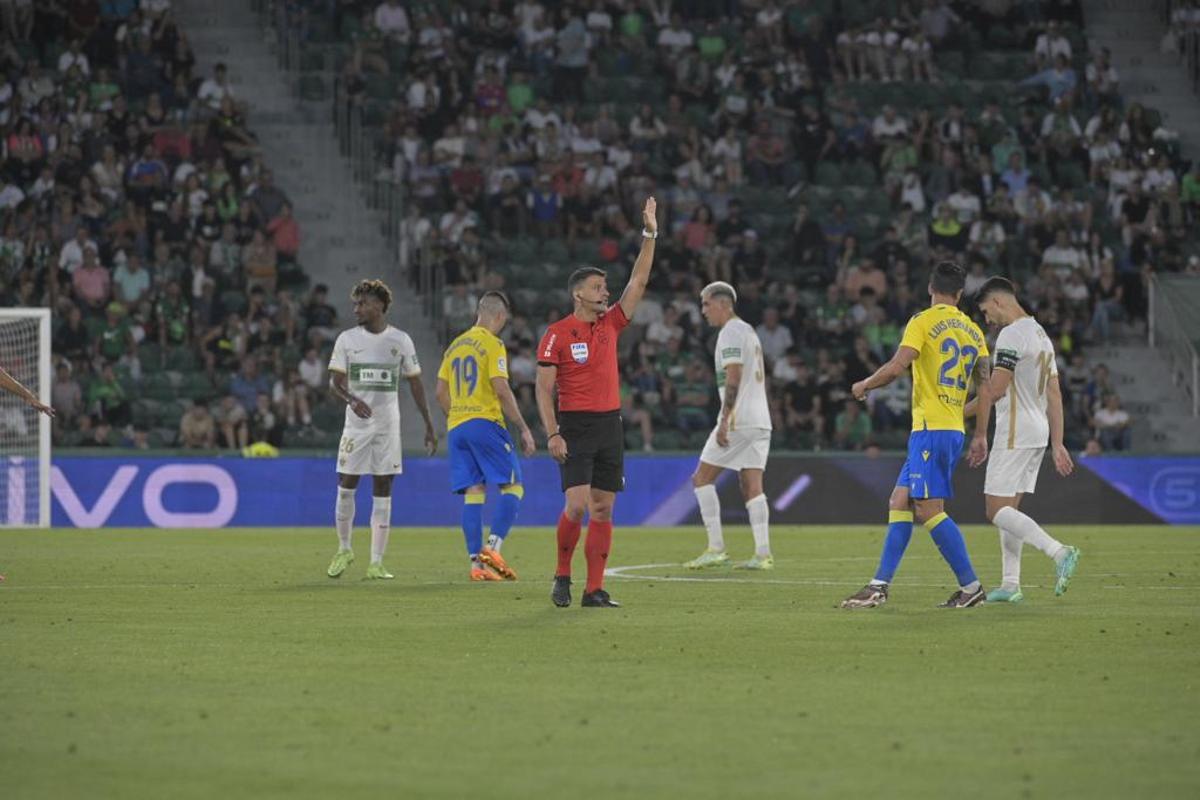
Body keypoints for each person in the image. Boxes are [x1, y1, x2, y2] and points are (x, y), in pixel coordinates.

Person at [842, 261, 992, 609]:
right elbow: (985, 389)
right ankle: (878, 585)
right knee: (899, 500)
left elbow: (898, 366)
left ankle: (971, 588)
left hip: (931, 429)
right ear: (959, 294)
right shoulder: (973, 332)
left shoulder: (922, 322)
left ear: (930, 288)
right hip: (952, 427)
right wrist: (981, 434)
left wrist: (865, 384)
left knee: (928, 510)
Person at [536, 197, 657, 609]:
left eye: (605, 287)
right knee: (576, 505)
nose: (605, 292)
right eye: (597, 287)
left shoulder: (611, 324)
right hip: (575, 426)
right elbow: (542, 388)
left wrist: (650, 234)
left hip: (610, 424)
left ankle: (594, 589)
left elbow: (638, 283)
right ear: (577, 294)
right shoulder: (556, 333)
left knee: (603, 509)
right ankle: (562, 575)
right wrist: (552, 431)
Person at [968, 277, 1081, 603]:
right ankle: (1010, 584)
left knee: (994, 509)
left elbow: (996, 390)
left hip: (1015, 431)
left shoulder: (1012, 334)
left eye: (986, 311)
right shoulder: (1040, 334)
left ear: (999, 301)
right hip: (1037, 431)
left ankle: (1059, 552)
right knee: (1010, 510)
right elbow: (1054, 392)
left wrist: (956, 412)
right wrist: (1057, 442)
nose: (987, 319)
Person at [326, 279, 438, 581]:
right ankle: (344, 548)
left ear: (379, 305)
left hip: (388, 427)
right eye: (355, 304)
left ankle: (376, 562)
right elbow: (334, 382)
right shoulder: (347, 340)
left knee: (383, 489)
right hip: (356, 427)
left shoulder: (400, 341)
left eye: (362, 303)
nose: (356, 309)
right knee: (346, 483)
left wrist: (429, 424)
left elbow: (415, 384)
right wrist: (352, 399)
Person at [435, 291, 537, 581]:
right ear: (500, 317)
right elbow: (501, 389)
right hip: (485, 422)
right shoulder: (493, 344)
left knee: (474, 492)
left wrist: (457, 417)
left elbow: (440, 392)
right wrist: (524, 428)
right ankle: (493, 549)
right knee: (513, 486)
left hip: (457, 426)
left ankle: (476, 566)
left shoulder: (454, 346)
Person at [683, 281, 775, 571]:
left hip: (739, 420)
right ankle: (762, 554)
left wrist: (724, 421)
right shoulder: (748, 330)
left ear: (723, 304)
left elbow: (733, 377)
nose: (703, 311)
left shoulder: (730, 332)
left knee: (701, 478)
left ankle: (716, 548)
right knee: (751, 486)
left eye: (706, 304)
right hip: (760, 421)